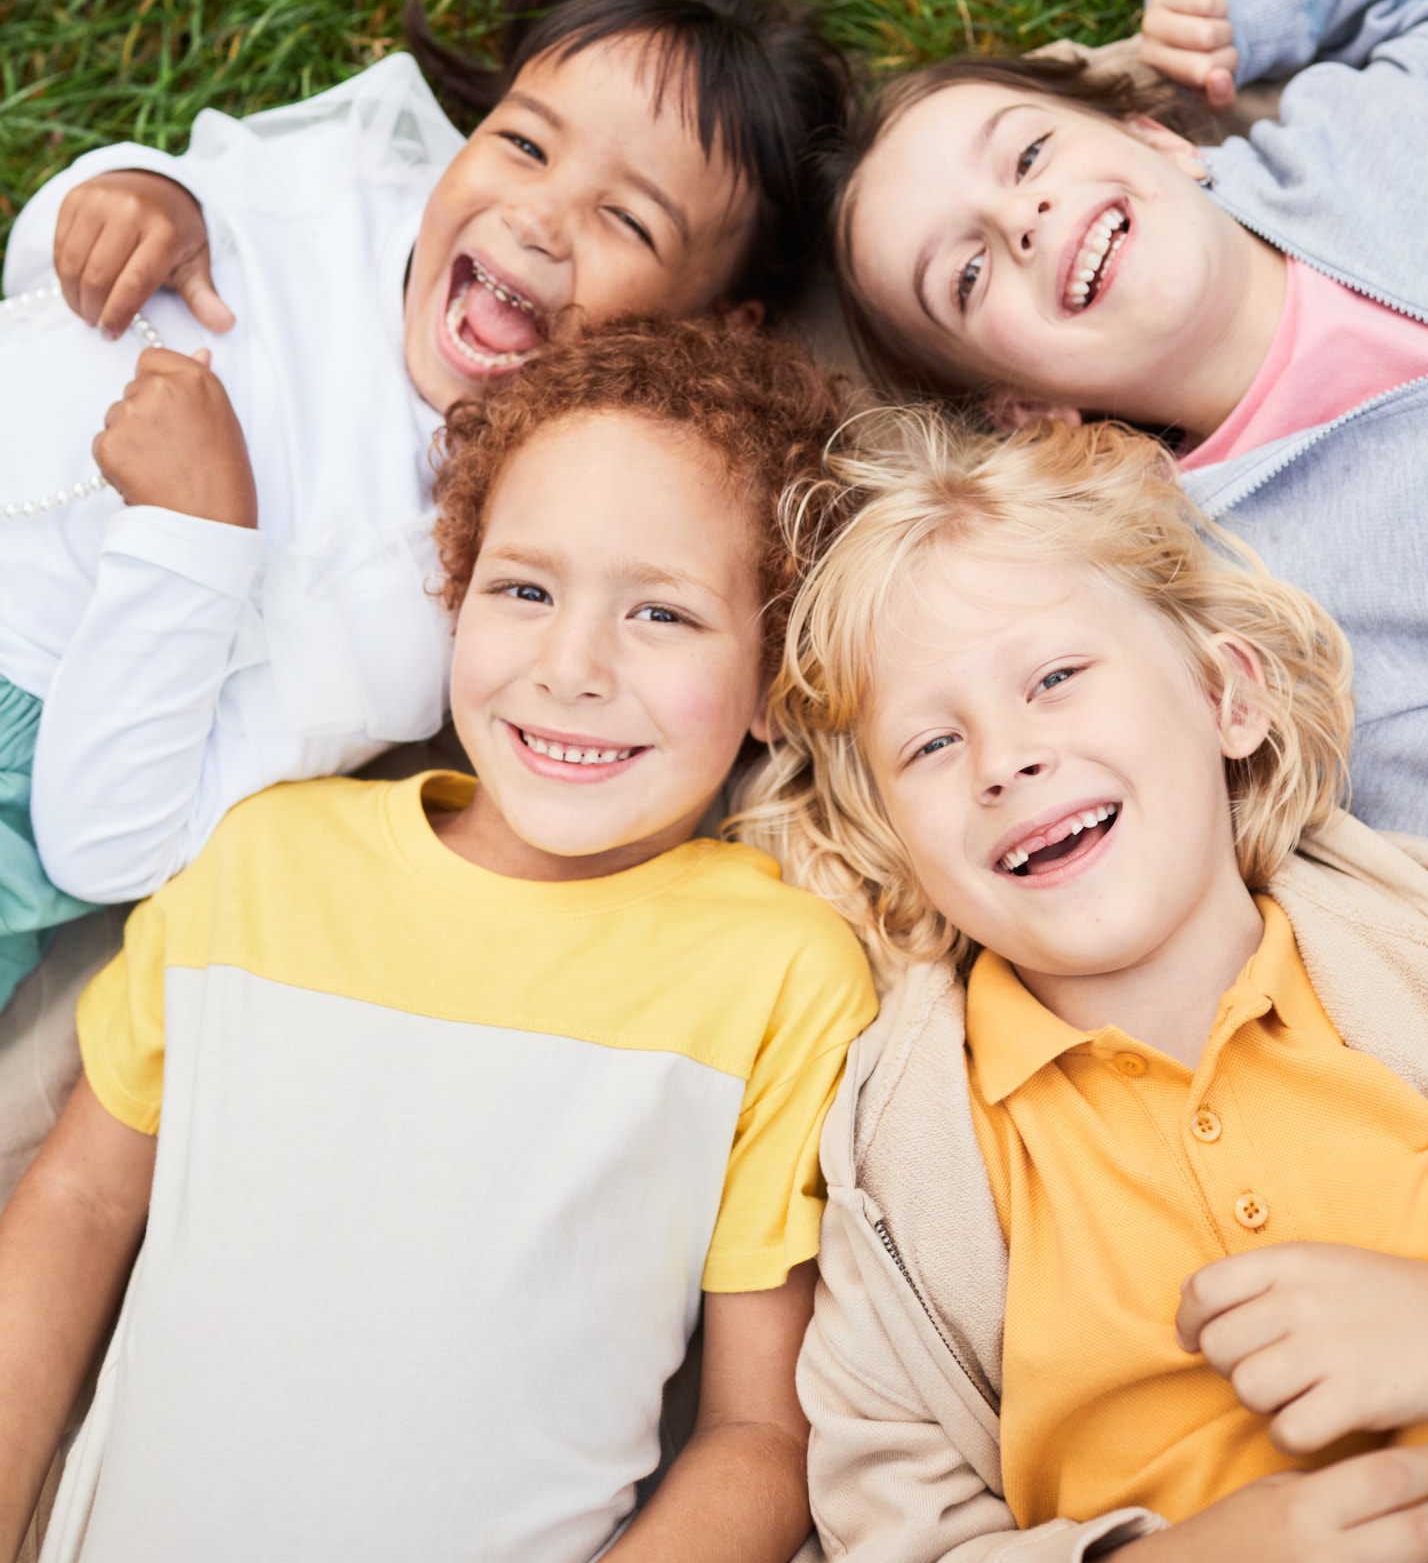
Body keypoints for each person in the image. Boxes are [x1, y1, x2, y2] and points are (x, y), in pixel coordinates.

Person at [0, 317, 877, 1563]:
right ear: (455, 595)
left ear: (778, 668)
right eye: (524, 590)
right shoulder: (267, 861)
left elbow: (757, 1436)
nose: (572, 666)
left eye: (664, 616)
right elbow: (79, 1200)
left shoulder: (779, 972)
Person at [0, 0, 851, 1008]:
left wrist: (193, 537)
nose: (540, 217)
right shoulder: (350, 182)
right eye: (526, 144)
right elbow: (50, 279)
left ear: (707, 328)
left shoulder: (439, 581)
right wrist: (132, 191)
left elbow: (106, 845)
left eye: (628, 219)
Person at [735, 407, 1428, 1563]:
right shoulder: (906, 1172)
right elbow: (893, 1534)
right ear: (895, 844)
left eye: (1056, 677)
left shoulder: (1414, 956)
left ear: (1229, 698)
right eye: (931, 746)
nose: (1006, 758)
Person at [831, 0, 1428, 836]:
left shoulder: (1358, 128)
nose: (1020, 218)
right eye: (967, 274)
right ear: (1026, 408)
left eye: (1030, 154)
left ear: (1158, 137)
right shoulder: (1247, 580)